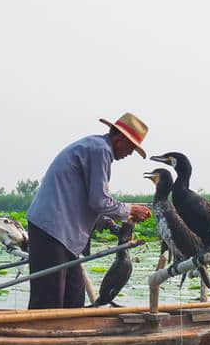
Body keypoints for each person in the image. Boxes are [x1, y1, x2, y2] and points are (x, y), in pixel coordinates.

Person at [27, 112, 152, 309]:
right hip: (51, 229)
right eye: (130, 148)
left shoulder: (95, 148)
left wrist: (113, 224)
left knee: (74, 296)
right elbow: (99, 201)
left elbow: (90, 202)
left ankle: (68, 337)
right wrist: (130, 209)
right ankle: (40, 338)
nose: (129, 154)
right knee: (49, 300)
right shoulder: (100, 150)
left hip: (65, 234)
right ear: (120, 140)